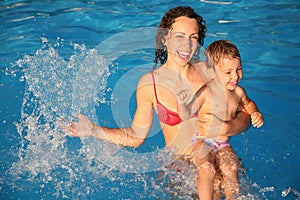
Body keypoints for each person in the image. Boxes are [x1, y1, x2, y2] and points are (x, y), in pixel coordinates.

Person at [67, 6, 251, 199]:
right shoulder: (150, 85)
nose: (187, 45)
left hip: (221, 161)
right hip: (183, 172)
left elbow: (246, 112)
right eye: (180, 36)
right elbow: (135, 137)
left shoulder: (211, 73)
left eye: (194, 37)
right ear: (165, 38)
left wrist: (228, 127)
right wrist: (94, 130)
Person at [176, 40, 264, 199]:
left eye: (238, 69)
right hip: (202, 140)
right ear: (211, 72)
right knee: (207, 168)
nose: (235, 76)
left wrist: (255, 113)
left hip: (223, 143)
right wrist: (182, 103)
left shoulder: (238, 92)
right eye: (228, 72)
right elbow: (187, 113)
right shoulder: (206, 91)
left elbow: (248, 104)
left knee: (231, 167)